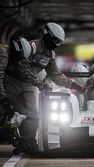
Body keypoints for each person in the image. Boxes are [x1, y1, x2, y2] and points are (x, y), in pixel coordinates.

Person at [0, 23, 84, 154]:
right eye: (56, 41)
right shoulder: (31, 47)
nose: (56, 44)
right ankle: (10, 136)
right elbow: (23, 70)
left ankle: (27, 142)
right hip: (12, 81)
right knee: (4, 110)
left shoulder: (50, 55)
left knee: (31, 115)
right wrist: (38, 83)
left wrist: (73, 85)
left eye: (59, 42)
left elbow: (56, 74)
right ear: (47, 36)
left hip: (28, 85)